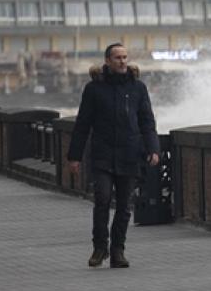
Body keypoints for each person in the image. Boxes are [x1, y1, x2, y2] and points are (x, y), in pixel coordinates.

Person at [67, 43, 159, 269]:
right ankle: (100, 248)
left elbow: (147, 121)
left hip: (130, 154)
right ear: (108, 61)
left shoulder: (137, 88)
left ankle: (118, 250)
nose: (123, 61)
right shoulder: (94, 89)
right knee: (102, 200)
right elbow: (83, 124)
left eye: (125, 57)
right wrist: (74, 157)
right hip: (102, 155)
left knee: (124, 206)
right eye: (118, 58)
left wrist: (153, 149)